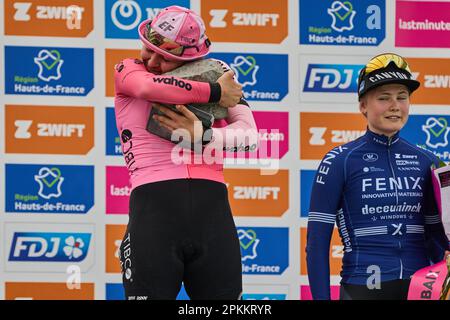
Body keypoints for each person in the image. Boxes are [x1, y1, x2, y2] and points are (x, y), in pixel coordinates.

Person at [114, 6, 258, 300]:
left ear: (191, 56)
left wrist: (203, 137)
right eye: (148, 49)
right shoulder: (128, 69)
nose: (152, 61)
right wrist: (214, 93)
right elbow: (145, 87)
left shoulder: (218, 73)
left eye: (166, 57)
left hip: (212, 210)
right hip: (154, 210)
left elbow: (251, 136)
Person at [306, 53, 450, 300]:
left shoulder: (431, 163)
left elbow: (438, 234)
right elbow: (317, 243)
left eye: (402, 98)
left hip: (422, 289)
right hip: (363, 287)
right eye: (383, 98)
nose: (395, 106)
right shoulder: (339, 160)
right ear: (363, 106)